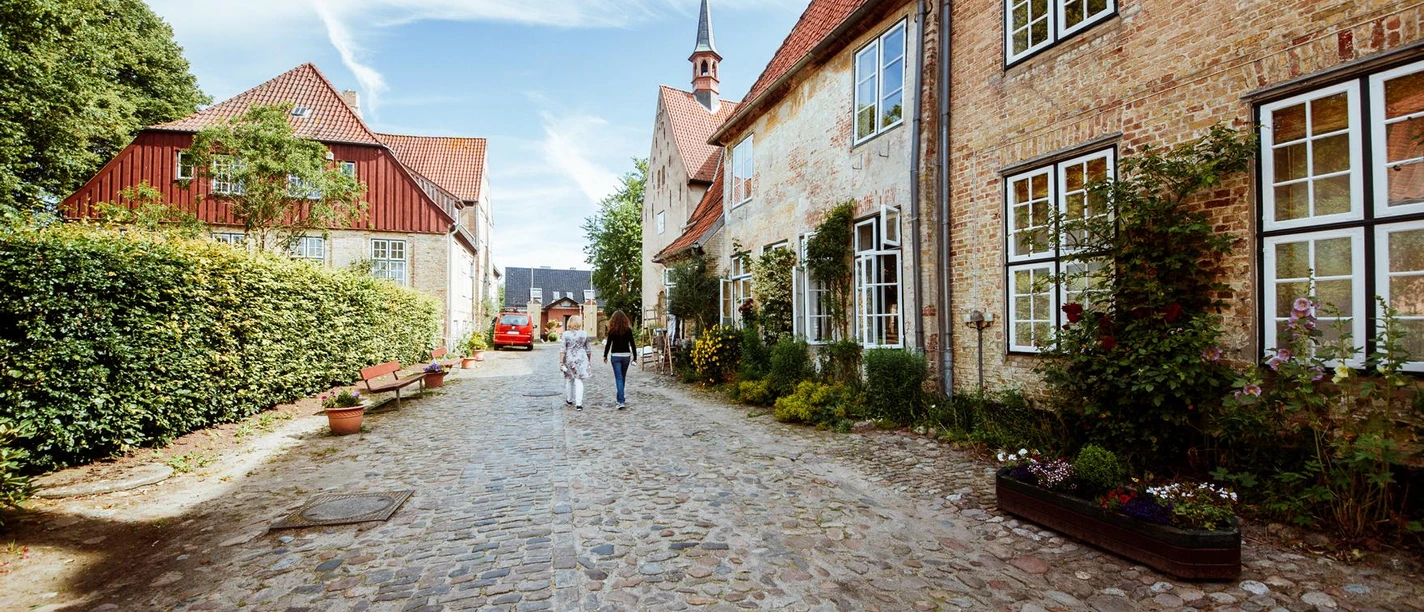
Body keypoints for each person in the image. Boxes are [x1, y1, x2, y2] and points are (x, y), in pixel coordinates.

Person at [603, 310, 638, 410]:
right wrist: (635, 357)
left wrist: (605, 355)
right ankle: (620, 399)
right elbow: (633, 344)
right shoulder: (628, 330)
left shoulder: (612, 331)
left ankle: (621, 401)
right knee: (623, 377)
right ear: (625, 320)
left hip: (615, 356)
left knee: (619, 378)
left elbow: (608, 344)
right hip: (626, 356)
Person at [560, 315, 592, 411]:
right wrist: (589, 360)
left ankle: (569, 399)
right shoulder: (584, 334)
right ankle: (579, 404)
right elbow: (588, 350)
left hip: (569, 358)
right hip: (581, 358)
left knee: (569, 379)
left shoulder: (565, 334)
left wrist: (561, 361)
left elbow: (563, 349)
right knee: (579, 380)